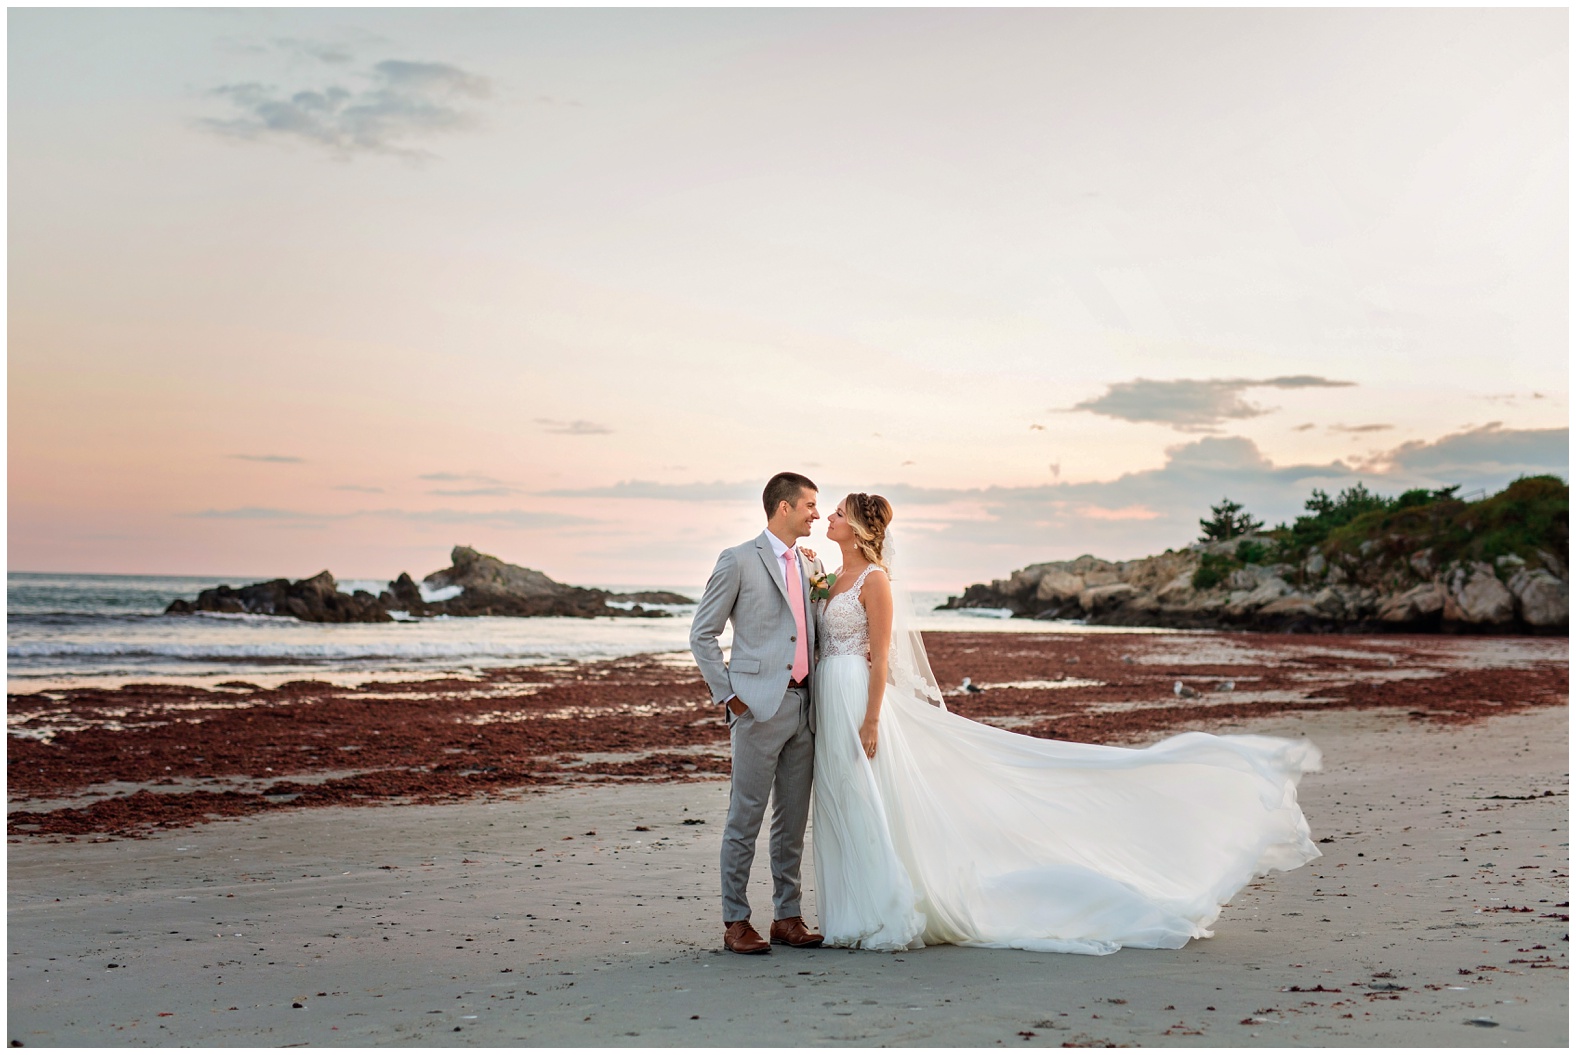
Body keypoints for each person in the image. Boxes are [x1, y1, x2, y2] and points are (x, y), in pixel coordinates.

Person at [808, 492, 1322, 954]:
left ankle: (877, 913)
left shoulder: (876, 581)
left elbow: (881, 659)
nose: (829, 517)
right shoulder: (833, 579)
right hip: (830, 694)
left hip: (857, 696)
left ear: (858, 528)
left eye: (837, 513)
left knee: (864, 799)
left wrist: (873, 719)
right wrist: (810, 577)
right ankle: (849, 914)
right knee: (841, 799)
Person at [689, 472, 827, 954]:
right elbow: (701, 634)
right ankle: (736, 921)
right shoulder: (738, 560)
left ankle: (787, 916)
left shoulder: (812, 565)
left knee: (792, 821)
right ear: (784, 507)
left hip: (806, 707)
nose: (816, 512)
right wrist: (730, 698)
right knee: (744, 817)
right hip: (757, 710)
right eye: (810, 504)